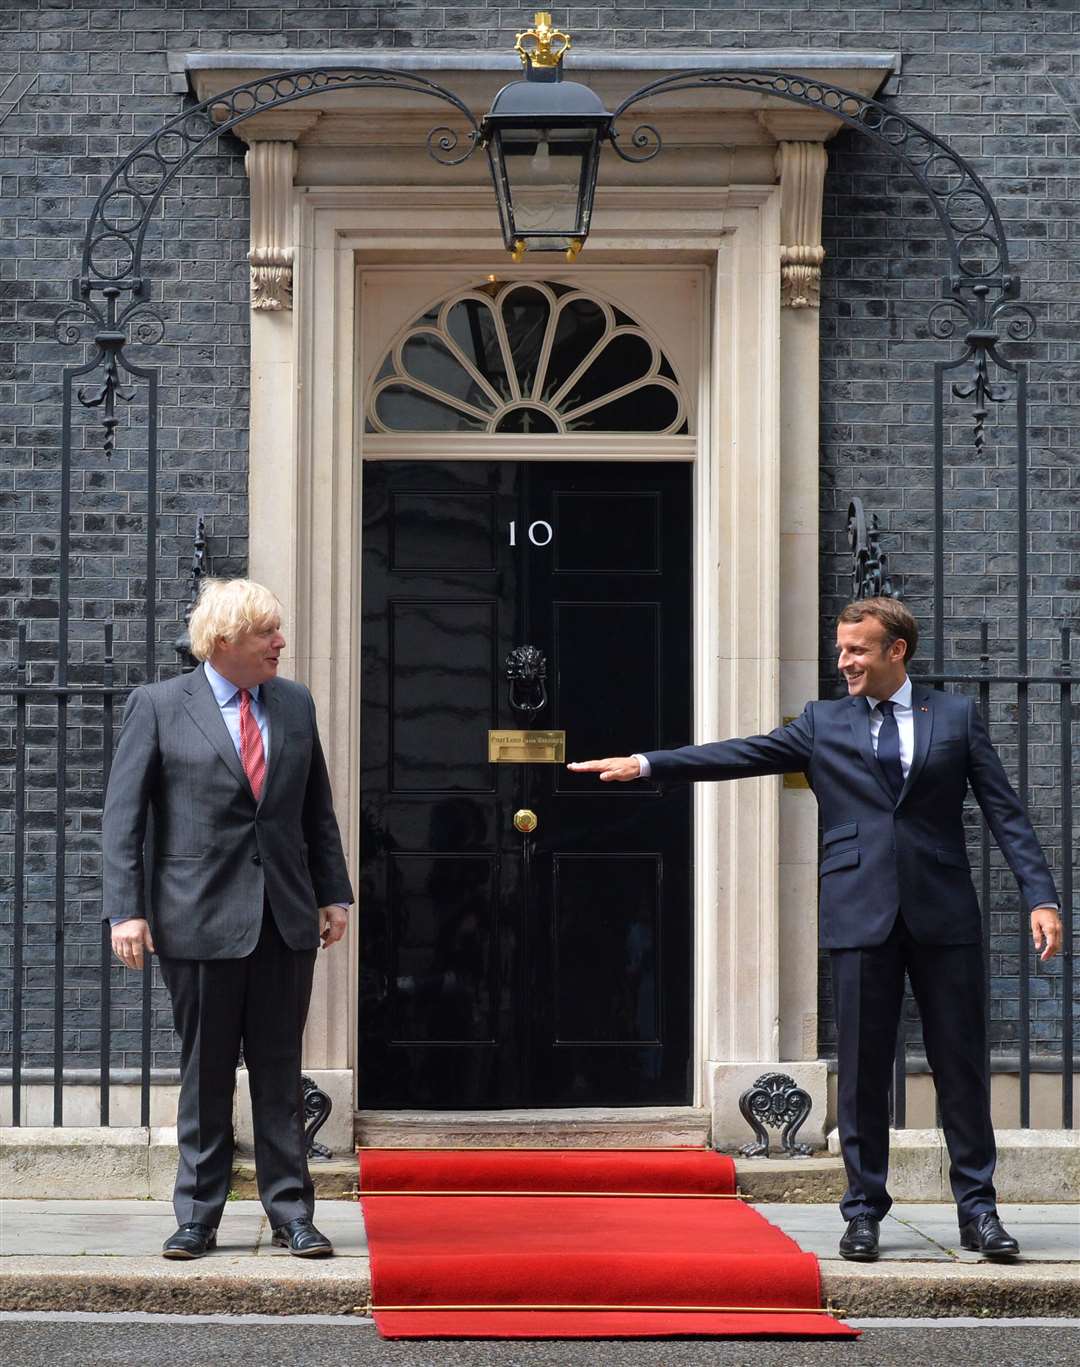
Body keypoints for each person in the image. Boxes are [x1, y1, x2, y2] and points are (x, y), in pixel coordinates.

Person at [569, 597, 1061, 1262]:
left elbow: (1006, 810)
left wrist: (1041, 896)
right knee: (860, 1071)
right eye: (839, 649)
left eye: (856, 649)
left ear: (897, 650)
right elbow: (741, 753)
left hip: (944, 913)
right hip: (859, 911)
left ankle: (979, 1210)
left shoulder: (954, 716)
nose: (843, 661)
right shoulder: (824, 722)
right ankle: (862, 1211)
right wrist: (649, 763)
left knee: (962, 1069)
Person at [103, 578, 353, 1261]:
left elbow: (315, 809)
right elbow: (123, 818)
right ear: (222, 643)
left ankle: (291, 1213)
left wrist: (334, 893)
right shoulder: (157, 706)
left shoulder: (294, 703)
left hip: (284, 917)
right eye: (266, 633)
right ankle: (197, 1216)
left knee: (280, 1069)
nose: (280, 643)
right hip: (197, 917)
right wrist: (126, 909)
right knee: (206, 1071)